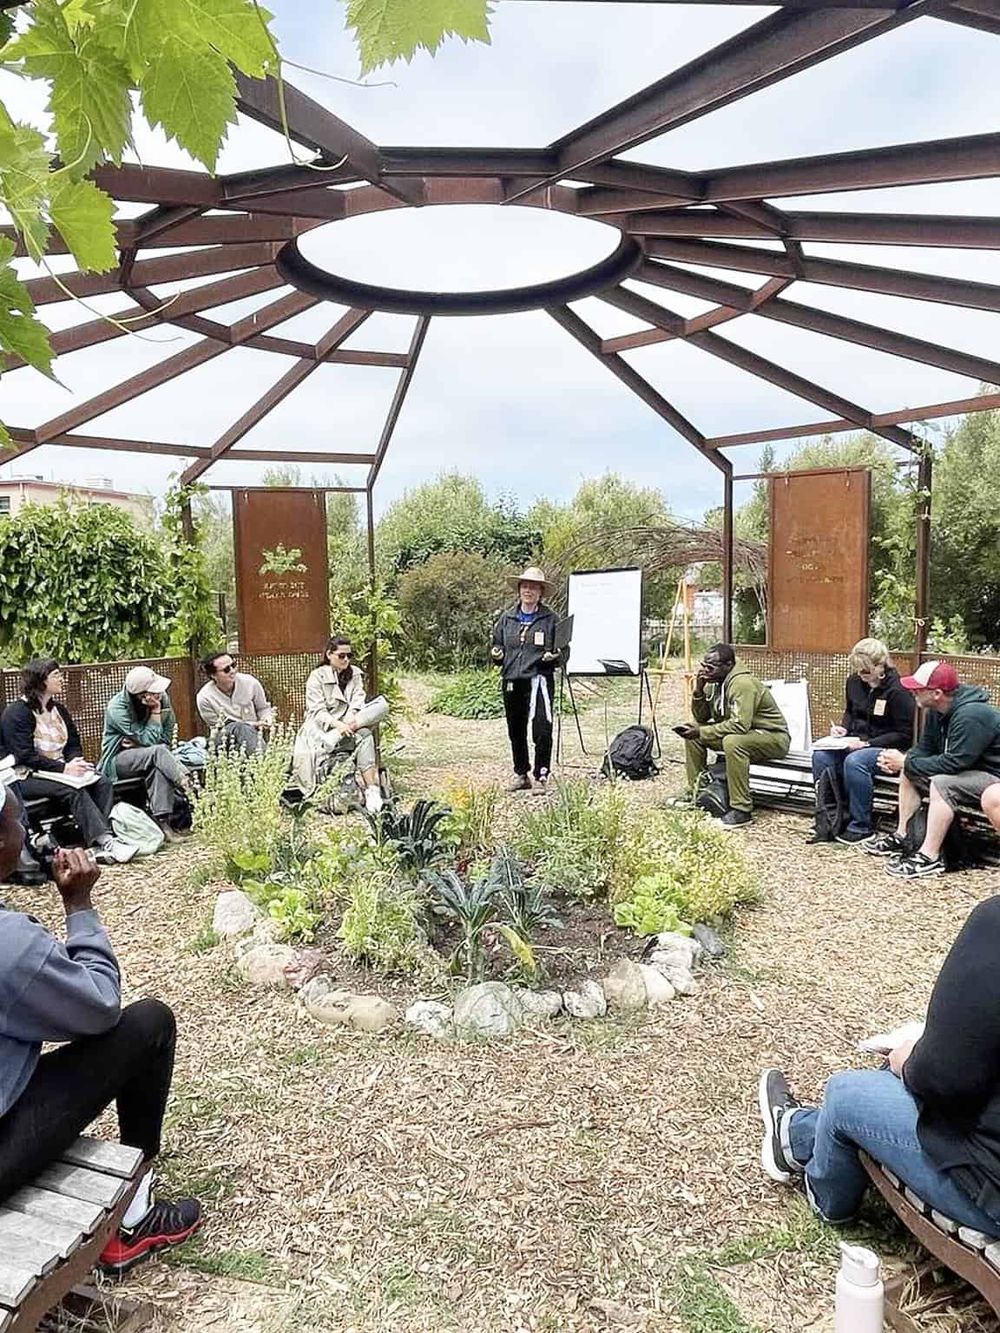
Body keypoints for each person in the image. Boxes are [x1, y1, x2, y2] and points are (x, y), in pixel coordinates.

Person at [0, 785, 202, 1274]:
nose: (24, 829)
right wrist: (79, 907)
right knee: (148, 1023)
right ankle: (131, 1220)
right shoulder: (9, 946)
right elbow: (99, 1007)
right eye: (13, 821)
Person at [758, 893, 1000, 1236]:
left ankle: (818, 1181)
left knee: (846, 1094)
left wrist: (909, 1059)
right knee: (887, 1081)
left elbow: (942, 1080)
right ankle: (800, 1132)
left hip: (989, 1192)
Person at [865, 660, 1000, 878]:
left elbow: (955, 763)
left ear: (936, 693)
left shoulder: (972, 715)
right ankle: (903, 834)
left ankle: (929, 857)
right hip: (970, 774)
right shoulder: (936, 712)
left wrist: (906, 761)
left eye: (918, 688)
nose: (912, 691)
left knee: (942, 782)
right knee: (911, 768)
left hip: (993, 778)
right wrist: (906, 761)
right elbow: (923, 749)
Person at [1, 659, 136, 866]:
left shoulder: (59, 710)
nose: (62, 679)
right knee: (72, 791)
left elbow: (73, 742)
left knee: (102, 781)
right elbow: (24, 756)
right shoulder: (17, 713)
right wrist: (64, 768)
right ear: (40, 680)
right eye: (56, 675)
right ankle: (105, 841)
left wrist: (75, 761)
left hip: (58, 770)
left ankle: (97, 839)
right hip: (25, 776)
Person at [809, 638, 915, 845]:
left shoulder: (898, 690)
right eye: (857, 670)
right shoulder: (854, 682)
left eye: (865, 671)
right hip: (856, 740)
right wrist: (843, 729)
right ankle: (831, 817)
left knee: (856, 761)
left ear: (880, 665)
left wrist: (869, 744)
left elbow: (904, 733)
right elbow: (850, 711)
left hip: (887, 746)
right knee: (821, 757)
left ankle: (861, 825)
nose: (861, 675)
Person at [677, 643, 790, 828]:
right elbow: (702, 717)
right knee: (693, 732)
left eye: (710, 667)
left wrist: (703, 731)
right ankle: (700, 793)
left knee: (733, 741)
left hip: (772, 737)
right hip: (746, 735)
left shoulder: (742, 684)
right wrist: (698, 690)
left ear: (728, 665)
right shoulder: (714, 682)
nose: (705, 670)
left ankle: (742, 810)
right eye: (704, 665)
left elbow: (739, 724)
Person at [98, 666, 193, 843]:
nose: (159, 694)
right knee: (157, 753)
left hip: (154, 756)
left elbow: (166, 736)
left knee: (159, 764)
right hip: (119, 760)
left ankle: (165, 825)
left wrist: (141, 741)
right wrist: (155, 713)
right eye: (153, 691)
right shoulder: (117, 708)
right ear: (142, 695)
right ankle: (189, 786)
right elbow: (151, 742)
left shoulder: (162, 697)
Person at [290, 637, 384, 813]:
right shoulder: (317, 677)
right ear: (329, 655)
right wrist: (338, 725)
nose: (346, 660)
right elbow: (317, 711)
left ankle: (372, 789)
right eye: (341, 656)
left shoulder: (354, 674)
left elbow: (358, 699)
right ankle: (330, 791)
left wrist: (351, 718)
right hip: (321, 729)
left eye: (350, 655)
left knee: (365, 735)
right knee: (330, 744)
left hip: (350, 723)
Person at [491, 565, 560, 794]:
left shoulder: (550, 619)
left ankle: (541, 775)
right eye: (525, 586)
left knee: (542, 728)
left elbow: (564, 649)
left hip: (539, 679)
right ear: (519, 590)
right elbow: (497, 645)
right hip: (513, 679)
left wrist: (554, 657)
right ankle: (522, 774)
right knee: (515, 729)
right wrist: (496, 654)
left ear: (540, 592)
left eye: (533, 587)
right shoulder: (507, 618)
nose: (528, 590)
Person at [196, 651, 275, 754]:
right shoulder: (204, 697)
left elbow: (263, 708)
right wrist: (252, 724)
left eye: (233, 665)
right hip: (225, 740)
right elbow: (219, 726)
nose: (232, 671)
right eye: (226, 669)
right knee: (239, 727)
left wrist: (267, 719)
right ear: (213, 675)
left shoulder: (250, 682)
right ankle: (262, 759)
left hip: (256, 735)